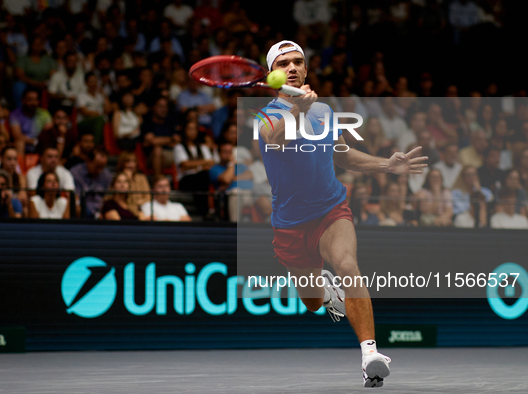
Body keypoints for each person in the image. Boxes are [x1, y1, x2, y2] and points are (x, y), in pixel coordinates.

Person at [256, 41, 428, 387]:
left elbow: (343, 155)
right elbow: (275, 140)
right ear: (273, 75)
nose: (293, 67)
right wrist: (299, 110)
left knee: (347, 264)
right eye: (284, 63)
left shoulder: (324, 112)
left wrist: (387, 166)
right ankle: (326, 290)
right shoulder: (266, 116)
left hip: (330, 211)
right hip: (289, 226)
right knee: (312, 302)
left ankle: (371, 355)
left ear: (305, 70)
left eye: (298, 62)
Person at [174, 120, 214, 216]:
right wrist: (202, 164)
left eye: (194, 129)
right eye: (189, 129)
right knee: (202, 177)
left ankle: (204, 212)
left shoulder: (203, 147)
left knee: (203, 177)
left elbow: (211, 163)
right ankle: (206, 212)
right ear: (184, 131)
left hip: (201, 178)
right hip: (185, 180)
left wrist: (194, 165)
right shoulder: (179, 147)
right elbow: (184, 165)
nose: (192, 131)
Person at [71, 147, 112, 218]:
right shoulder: (76, 173)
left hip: (101, 212)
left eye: (102, 167)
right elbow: (74, 196)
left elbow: (108, 196)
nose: (100, 170)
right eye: (98, 166)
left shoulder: (106, 175)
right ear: (88, 161)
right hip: (82, 211)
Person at [9, 87, 53, 155]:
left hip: (40, 145)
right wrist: (34, 141)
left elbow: (48, 134)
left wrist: (38, 142)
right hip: (24, 145)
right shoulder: (15, 115)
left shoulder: (44, 114)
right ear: (23, 100)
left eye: (35, 100)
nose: (33, 103)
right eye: (30, 100)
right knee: (19, 142)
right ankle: (20, 165)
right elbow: (17, 135)